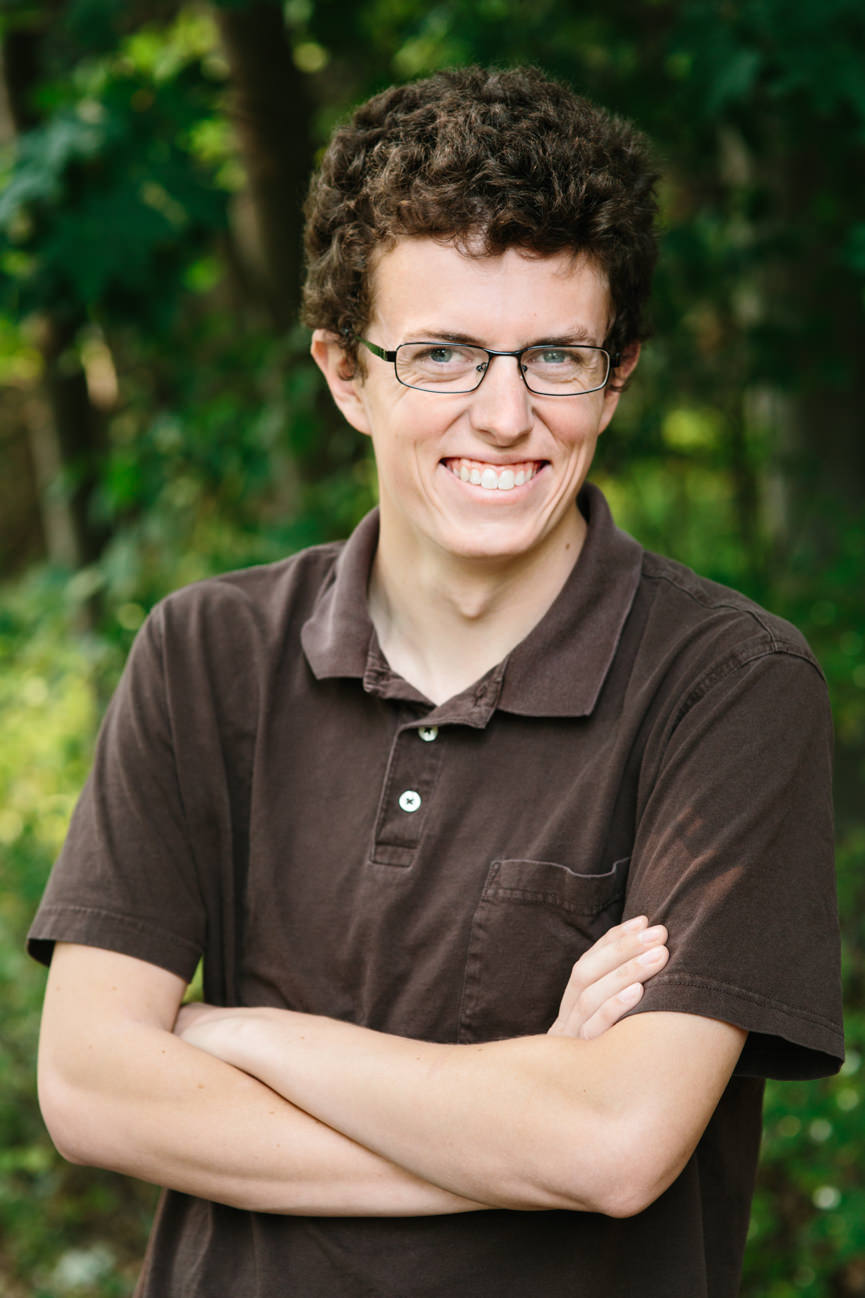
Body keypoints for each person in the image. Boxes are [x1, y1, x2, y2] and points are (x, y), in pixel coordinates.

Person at [29, 65, 842, 1298]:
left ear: (617, 373)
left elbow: (617, 1143)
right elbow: (91, 1087)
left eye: (555, 355)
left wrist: (232, 1034)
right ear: (345, 372)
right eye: (443, 354)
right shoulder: (203, 653)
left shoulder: (728, 684)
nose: (506, 414)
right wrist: (526, 1116)